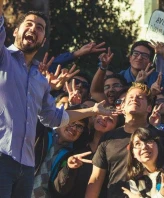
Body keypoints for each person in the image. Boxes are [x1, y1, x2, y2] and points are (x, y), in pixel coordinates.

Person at [0, 6, 119, 197]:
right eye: (28, 24)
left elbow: (54, 118)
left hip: (27, 168)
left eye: (40, 27)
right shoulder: (3, 58)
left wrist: (93, 110)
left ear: (43, 40)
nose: (33, 29)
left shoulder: (40, 79)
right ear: (15, 31)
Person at [86, 83, 164, 198]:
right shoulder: (109, 138)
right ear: (122, 106)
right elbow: (96, 178)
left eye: (140, 97)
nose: (134, 99)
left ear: (149, 108)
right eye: (131, 97)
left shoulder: (162, 138)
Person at [51, 112, 122, 198]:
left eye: (110, 119)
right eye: (102, 114)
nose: (104, 119)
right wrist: (69, 168)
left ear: (116, 128)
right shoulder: (76, 144)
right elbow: (59, 188)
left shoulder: (114, 156)